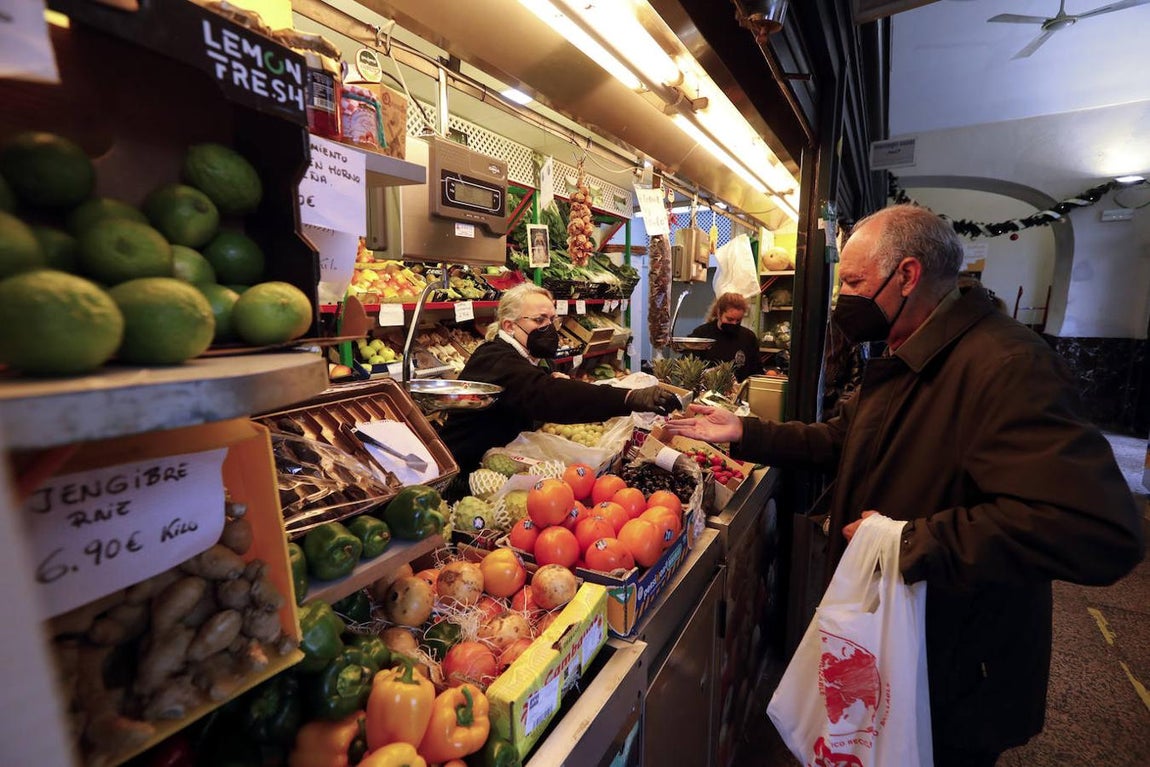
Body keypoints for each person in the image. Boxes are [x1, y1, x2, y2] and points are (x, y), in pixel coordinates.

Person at [665, 204, 1144, 767]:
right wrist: (745, 431)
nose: (843, 298)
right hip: (895, 644)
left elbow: (1095, 528)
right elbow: (842, 438)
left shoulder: (1006, 365)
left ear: (907, 275)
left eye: (853, 282)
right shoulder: (910, 351)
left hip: (952, 667)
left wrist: (912, 541)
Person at [438, 283, 680, 474]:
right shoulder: (495, 358)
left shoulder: (527, 357)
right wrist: (628, 397)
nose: (550, 327)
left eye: (552, 319)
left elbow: (531, 392)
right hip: (465, 471)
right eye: (539, 320)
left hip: (499, 463)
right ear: (509, 326)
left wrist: (551, 379)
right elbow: (547, 395)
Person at [686, 292, 764, 381]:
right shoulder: (701, 334)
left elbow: (757, 371)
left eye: (738, 320)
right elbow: (689, 370)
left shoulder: (748, 337)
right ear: (719, 313)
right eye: (730, 319)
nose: (734, 323)